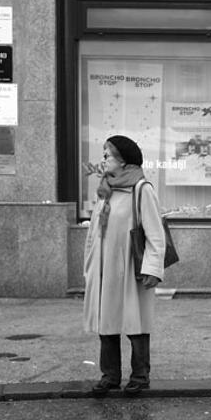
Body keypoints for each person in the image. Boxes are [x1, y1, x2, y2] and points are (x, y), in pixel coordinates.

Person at [83, 135, 166, 397]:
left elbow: (155, 234)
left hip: (130, 268)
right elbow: (94, 232)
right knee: (106, 322)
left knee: (135, 322)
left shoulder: (141, 189)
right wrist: (89, 266)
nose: (103, 159)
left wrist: (153, 269)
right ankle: (110, 376)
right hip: (104, 268)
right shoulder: (106, 189)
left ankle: (140, 376)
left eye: (108, 155)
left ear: (123, 160)